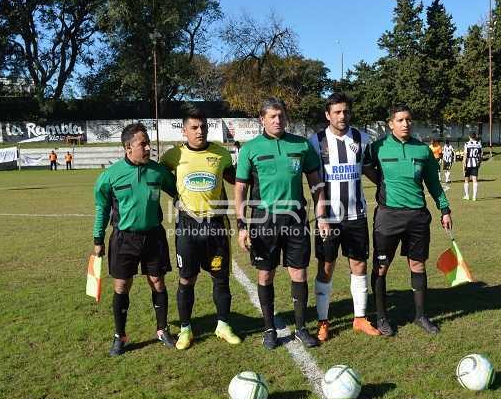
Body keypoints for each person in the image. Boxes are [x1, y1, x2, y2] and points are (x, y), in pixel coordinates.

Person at [234, 97, 329, 350]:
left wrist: (321, 215)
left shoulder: (301, 145)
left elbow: (316, 183)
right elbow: (240, 189)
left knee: (299, 272)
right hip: (263, 220)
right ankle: (269, 329)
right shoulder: (250, 149)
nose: (278, 120)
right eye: (272, 116)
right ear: (262, 119)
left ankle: (301, 328)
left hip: (296, 218)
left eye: (281, 116)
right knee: (266, 273)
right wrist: (242, 226)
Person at [363, 103, 452, 335]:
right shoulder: (377, 147)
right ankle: (382, 317)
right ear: (390, 124)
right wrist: (381, 182)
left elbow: (433, 183)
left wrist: (444, 209)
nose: (405, 124)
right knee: (381, 266)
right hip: (388, 216)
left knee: (418, 264)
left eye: (408, 120)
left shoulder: (422, 150)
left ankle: (420, 316)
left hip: (417, 217)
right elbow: (365, 166)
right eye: (400, 120)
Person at [93, 123, 178, 356]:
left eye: (148, 143)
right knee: (121, 286)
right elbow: (101, 209)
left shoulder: (158, 171)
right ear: (128, 147)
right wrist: (98, 239)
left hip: (154, 236)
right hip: (124, 239)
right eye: (143, 144)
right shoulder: (110, 176)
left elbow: (179, 193)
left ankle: (162, 329)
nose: (149, 148)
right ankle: (120, 336)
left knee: (157, 282)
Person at [160, 108, 241, 350]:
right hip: (187, 225)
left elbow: (236, 179)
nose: (200, 131)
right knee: (186, 278)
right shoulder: (173, 155)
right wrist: (175, 195)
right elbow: (159, 176)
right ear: (184, 131)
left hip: (216, 225)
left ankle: (223, 325)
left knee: (220, 277)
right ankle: (185, 329)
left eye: (203, 126)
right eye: (194, 127)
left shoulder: (221, 154)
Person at [307, 93, 381, 341]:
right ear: (328, 115)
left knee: (359, 265)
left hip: (356, 215)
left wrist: (387, 185)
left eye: (346, 111)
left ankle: (360, 318)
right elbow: (311, 178)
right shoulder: (315, 141)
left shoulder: (362, 138)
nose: (342, 116)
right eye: (337, 112)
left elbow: (369, 168)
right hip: (327, 217)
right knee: (326, 267)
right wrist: (320, 215)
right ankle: (323, 321)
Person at [462, 133, 483, 201]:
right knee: (475, 180)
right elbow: (481, 155)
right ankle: (474, 197)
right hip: (475, 164)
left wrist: (463, 165)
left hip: (468, 164)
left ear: (469, 137)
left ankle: (467, 196)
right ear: (475, 137)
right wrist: (479, 163)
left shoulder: (467, 144)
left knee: (466, 180)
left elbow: (465, 155)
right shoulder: (479, 144)